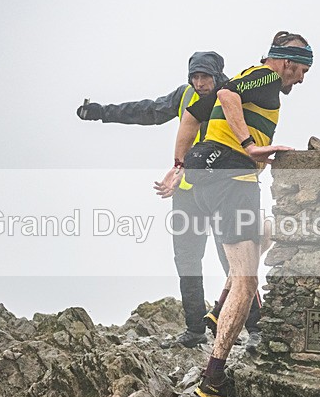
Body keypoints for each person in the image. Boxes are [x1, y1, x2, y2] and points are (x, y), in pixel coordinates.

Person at [157, 31, 312, 397]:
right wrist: (250, 146)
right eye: (302, 70)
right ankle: (213, 379)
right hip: (232, 178)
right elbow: (227, 96)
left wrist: (178, 165)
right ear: (286, 62)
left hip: (203, 177)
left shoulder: (245, 80)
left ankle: (216, 311)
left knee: (264, 234)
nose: (302, 79)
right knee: (247, 280)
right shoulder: (266, 75)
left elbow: (190, 122)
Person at [78, 52, 263, 350]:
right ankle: (194, 329)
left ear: (218, 76)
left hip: (225, 189)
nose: (200, 83)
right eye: (195, 77)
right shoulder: (184, 95)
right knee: (187, 260)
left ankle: (256, 329)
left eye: (206, 77)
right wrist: (102, 112)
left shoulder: (232, 94)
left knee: (236, 260)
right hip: (187, 193)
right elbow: (147, 111)